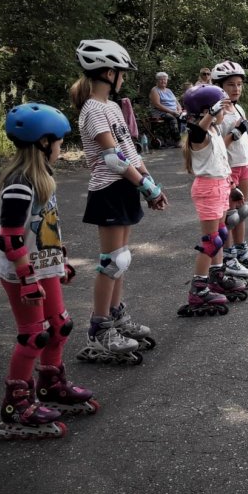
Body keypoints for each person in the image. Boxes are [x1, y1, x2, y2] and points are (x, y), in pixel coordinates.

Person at [0, 103, 99, 440]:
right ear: (42, 143)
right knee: (33, 334)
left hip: (42, 266)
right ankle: (16, 404)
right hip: (22, 271)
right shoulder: (20, 184)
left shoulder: (43, 178)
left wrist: (58, 260)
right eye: (59, 142)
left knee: (60, 326)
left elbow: (45, 228)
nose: (61, 148)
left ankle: (51, 384)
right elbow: (10, 238)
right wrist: (26, 278)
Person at [69, 40, 163, 365]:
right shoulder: (93, 110)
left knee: (121, 260)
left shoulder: (112, 106)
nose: (124, 77)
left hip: (126, 187)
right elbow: (111, 158)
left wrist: (150, 184)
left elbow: (129, 150)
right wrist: (145, 187)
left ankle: (116, 317)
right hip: (109, 189)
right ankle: (98, 330)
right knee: (110, 262)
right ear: (109, 72)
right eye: (121, 72)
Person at [179, 84, 248, 316]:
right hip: (207, 190)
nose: (224, 113)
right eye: (220, 108)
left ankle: (216, 276)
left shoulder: (215, 132)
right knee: (211, 240)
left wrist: (232, 187)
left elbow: (221, 162)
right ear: (208, 110)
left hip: (220, 186)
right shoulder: (199, 135)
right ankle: (198, 289)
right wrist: (211, 112)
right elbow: (198, 130)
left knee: (219, 237)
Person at [211, 61, 248, 281]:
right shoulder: (218, 114)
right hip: (227, 167)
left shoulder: (239, 108)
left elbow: (243, 140)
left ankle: (241, 250)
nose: (235, 89)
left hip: (242, 164)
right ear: (219, 86)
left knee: (242, 210)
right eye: (230, 85)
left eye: (238, 84)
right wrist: (236, 132)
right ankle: (228, 255)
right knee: (230, 215)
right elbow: (218, 146)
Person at [148, 71, 182, 146]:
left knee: (184, 117)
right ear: (157, 81)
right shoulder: (155, 90)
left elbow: (177, 102)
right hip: (160, 112)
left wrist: (179, 110)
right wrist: (172, 112)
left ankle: (185, 138)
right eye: (161, 79)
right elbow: (157, 105)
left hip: (174, 111)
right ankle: (177, 141)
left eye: (165, 79)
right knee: (172, 118)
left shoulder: (169, 90)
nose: (163, 81)